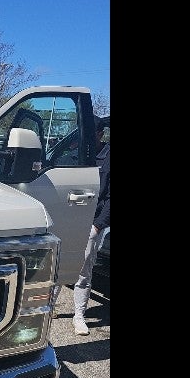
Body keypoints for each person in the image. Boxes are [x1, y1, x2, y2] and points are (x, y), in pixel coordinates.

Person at [73, 115, 110, 335]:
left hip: (92, 223)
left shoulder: (107, 156)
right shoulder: (76, 153)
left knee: (83, 270)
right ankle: (50, 309)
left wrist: (98, 225)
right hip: (68, 219)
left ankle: (79, 315)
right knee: (58, 268)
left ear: (100, 134)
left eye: (89, 134)